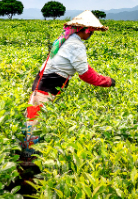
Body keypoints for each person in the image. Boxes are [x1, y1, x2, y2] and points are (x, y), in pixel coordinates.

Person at [23, 10, 115, 156]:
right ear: (85, 30)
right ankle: (30, 162)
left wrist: (102, 77)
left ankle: (30, 157)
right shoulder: (76, 45)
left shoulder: (68, 39)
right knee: (34, 126)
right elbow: (86, 75)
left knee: (33, 122)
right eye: (91, 31)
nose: (91, 34)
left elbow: (83, 67)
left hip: (42, 87)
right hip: (45, 89)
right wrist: (107, 82)